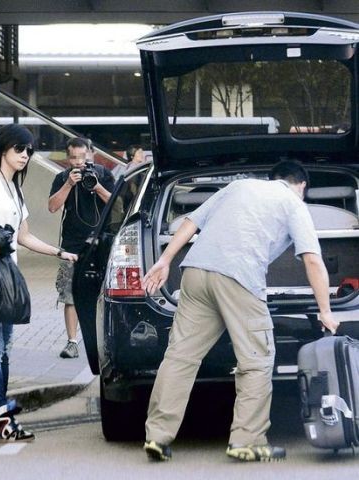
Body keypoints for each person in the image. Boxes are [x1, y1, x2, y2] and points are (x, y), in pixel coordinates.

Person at [142, 160, 339, 463]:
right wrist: (325, 310)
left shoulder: (237, 186)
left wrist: (165, 260)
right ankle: (247, 440)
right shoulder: (293, 203)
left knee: (180, 357)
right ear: (301, 185)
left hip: (195, 271)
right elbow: (312, 260)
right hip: (238, 278)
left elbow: (191, 222)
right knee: (257, 360)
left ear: (272, 178)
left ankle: (157, 436)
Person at [0, 124, 78, 443]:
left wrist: (59, 252)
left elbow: (24, 236)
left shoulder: (14, 189)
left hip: (7, 278)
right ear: (4, 148)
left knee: (4, 349)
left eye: (29, 151)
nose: (25, 155)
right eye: (19, 148)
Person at [48, 137, 115, 358]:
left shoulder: (104, 175)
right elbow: (52, 207)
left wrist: (97, 187)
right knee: (70, 294)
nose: (78, 162)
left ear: (90, 154)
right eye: (73, 158)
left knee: (105, 292)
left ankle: (104, 341)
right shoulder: (62, 178)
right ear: (68, 158)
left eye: (82, 157)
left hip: (102, 243)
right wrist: (68, 184)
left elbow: (118, 204)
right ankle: (72, 342)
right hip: (72, 245)